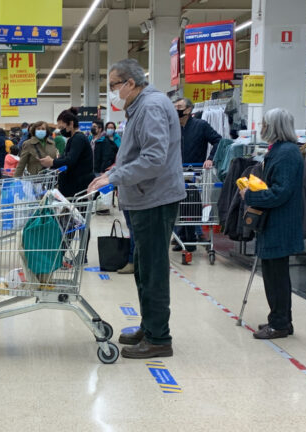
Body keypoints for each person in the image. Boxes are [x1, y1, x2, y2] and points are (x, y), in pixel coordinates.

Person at [88, 59, 185, 359]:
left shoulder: (151, 106)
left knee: (153, 270)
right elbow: (137, 153)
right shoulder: (140, 107)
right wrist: (113, 171)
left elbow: (154, 158)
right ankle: (150, 325)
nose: (112, 93)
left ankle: (159, 339)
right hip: (144, 198)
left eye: (114, 86)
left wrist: (115, 177)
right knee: (143, 268)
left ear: (131, 83)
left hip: (155, 200)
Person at [241, 108, 304, 339]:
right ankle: (280, 320)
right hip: (275, 222)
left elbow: (280, 192)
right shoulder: (280, 150)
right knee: (273, 273)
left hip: (280, 223)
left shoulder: (286, 153)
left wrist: (250, 195)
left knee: (276, 275)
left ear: (274, 126)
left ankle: (279, 323)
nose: (261, 127)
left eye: (265, 123)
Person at [172, 97, 223, 251]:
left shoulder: (201, 126)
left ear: (188, 110)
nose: (176, 110)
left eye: (179, 107)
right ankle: (181, 237)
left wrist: (211, 158)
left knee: (191, 202)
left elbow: (218, 141)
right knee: (178, 204)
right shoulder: (172, 127)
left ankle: (190, 238)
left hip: (195, 171)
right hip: (176, 172)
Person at [40, 108, 95, 198]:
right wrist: (53, 163)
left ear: (71, 124)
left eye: (62, 128)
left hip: (78, 187)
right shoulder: (73, 139)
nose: (61, 131)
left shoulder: (78, 139)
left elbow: (70, 160)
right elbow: (65, 157)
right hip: (73, 185)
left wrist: (52, 162)